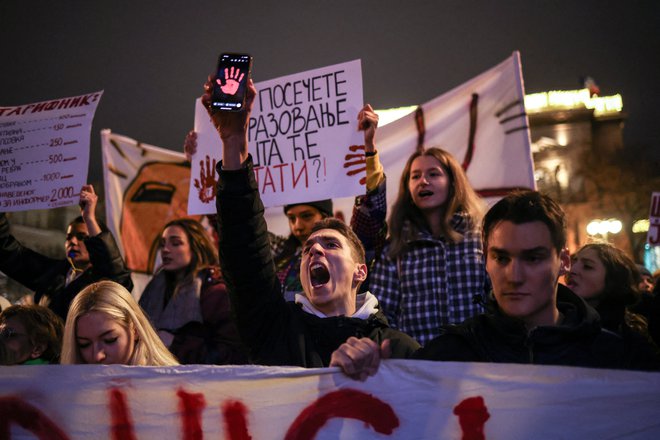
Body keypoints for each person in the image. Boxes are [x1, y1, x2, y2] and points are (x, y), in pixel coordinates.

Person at [202, 74, 419, 367]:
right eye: (308, 249)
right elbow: (244, 248)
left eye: (331, 244)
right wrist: (234, 143)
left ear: (361, 271)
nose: (314, 249)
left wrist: (368, 153)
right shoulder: (274, 331)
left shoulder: (399, 352)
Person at [331, 191, 660, 380]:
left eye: (533, 258)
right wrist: (361, 375)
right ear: (485, 258)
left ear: (563, 262)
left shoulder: (623, 359)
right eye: (501, 258)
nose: (514, 275)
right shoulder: (449, 356)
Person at [353, 106, 488, 345]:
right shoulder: (396, 249)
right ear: (408, 189)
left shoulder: (482, 238)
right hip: (419, 367)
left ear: (453, 182)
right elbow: (384, 317)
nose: (423, 181)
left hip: (479, 364)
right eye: (415, 176)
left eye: (433, 174)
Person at [184, 130, 333, 301]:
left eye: (307, 216)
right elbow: (237, 227)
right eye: (292, 218)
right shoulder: (281, 251)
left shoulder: (343, 254)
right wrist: (197, 164)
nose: (297, 226)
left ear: (325, 217)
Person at [0, 185, 133, 320]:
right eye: (69, 237)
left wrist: (89, 218)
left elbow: (118, 278)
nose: (73, 241)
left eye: (82, 237)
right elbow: (8, 254)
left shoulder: (102, 282)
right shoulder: (53, 273)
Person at [138, 218, 247, 364]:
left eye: (176, 243)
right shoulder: (154, 288)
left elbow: (232, 354)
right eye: (162, 244)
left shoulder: (216, 292)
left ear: (196, 246)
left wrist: (176, 343)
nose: (165, 250)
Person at [61, 280, 178, 366]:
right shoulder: (67, 391)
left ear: (135, 329)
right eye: (84, 344)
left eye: (109, 340)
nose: (97, 355)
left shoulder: (171, 386)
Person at [566, 243, 652, 338]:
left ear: (613, 279)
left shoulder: (631, 337)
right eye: (573, 263)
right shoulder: (559, 320)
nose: (572, 270)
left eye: (587, 266)